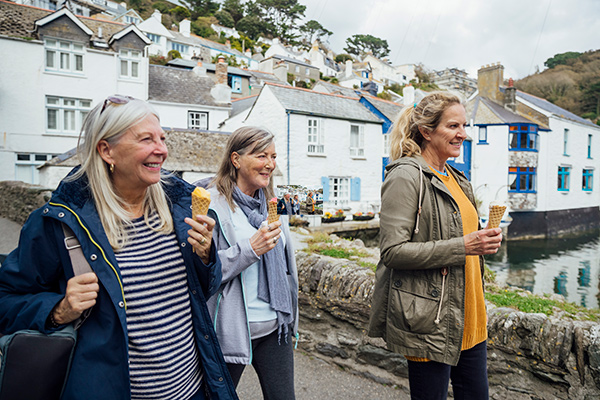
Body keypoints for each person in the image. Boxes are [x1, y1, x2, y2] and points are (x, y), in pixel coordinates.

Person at [0, 95, 238, 400]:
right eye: (146, 139)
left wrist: (206, 257)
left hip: (193, 391)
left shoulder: (181, 207)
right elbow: (6, 300)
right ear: (106, 150)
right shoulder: (62, 223)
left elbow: (205, 291)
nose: (162, 150)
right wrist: (59, 310)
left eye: (162, 138)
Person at [368, 92, 503, 400]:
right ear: (427, 132)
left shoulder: (457, 177)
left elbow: (462, 236)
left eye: (464, 126)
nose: (463, 135)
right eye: (453, 126)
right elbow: (392, 252)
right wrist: (463, 246)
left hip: (470, 317)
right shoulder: (406, 175)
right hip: (431, 321)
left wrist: (483, 239)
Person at [196, 126, 298, 400]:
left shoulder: (276, 202)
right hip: (230, 329)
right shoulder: (210, 202)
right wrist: (251, 248)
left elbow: (289, 266)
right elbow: (203, 272)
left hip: (276, 326)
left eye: (273, 156)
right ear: (236, 159)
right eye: (261, 155)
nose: (270, 164)